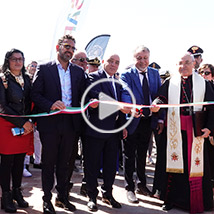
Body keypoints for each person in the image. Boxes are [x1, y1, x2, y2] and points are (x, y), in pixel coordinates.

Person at [151, 52, 214, 213]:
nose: (183, 66)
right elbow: (161, 98)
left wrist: (210, 127)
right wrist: (156, 104)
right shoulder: (170, 82)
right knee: (174, 165)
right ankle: (171, 200)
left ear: (194, 64)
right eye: (180, 63)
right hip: (175, 130)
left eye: (187, 63)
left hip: (196, 130)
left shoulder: (204, 84)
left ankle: (199, 201)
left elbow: (212, 107)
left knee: (195, 166)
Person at [31, 34, 86, 213]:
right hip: (50, 124)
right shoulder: (44, 68)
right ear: (58, 48)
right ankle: (47, 199)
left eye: (72, 48)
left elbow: (85, 95)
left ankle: (62, 197)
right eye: (67, 46)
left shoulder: (78, 72)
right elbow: (35, 94)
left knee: (65, 164)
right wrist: (50, 104)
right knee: (48, 163)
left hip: (71, 124)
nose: (69, 50)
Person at [84, 53, 128, 212]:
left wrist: (123, 126)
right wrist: (119, 106)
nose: (113, 64)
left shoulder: (117, 82)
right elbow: (98, 97)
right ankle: (91, 196)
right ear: (103, 62)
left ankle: (107, 194)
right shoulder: (93, 77)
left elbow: (121, 107)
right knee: (92, 165)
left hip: (113, 131)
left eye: (117, 62)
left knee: (110, 166)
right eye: (111, 61)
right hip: (96, 129)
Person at [120, 45, 162, 203]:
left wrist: (159, 118)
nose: (142, 61)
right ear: (134, 59)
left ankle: (141, 184)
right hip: (131, 120)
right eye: (139, 58)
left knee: (143, 154)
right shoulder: (126, 75)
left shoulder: (155, 73)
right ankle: (129, 188)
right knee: (129, 155)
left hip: (148, 121)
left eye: (145, 58)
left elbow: (158, 95)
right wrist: (131, 108)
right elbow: (125, 93)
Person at [0, 48, 33, 213]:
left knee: (20, 160)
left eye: (20, 59)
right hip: (7, 124)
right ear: (8, 61)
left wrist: (29, 121)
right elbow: (2, 106)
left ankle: (17, 192)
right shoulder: (2, 79)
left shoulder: (27, 79)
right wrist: (22, 122)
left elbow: (29, 103)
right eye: (14, 59)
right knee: (7, 162)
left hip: (24, 126)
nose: (18, 62)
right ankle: (5, 196)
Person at [198, 63, 214, 189]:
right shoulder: (197, 90)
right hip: (200, 132)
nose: (203, 75)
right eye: (201, 72)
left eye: (207, 73)